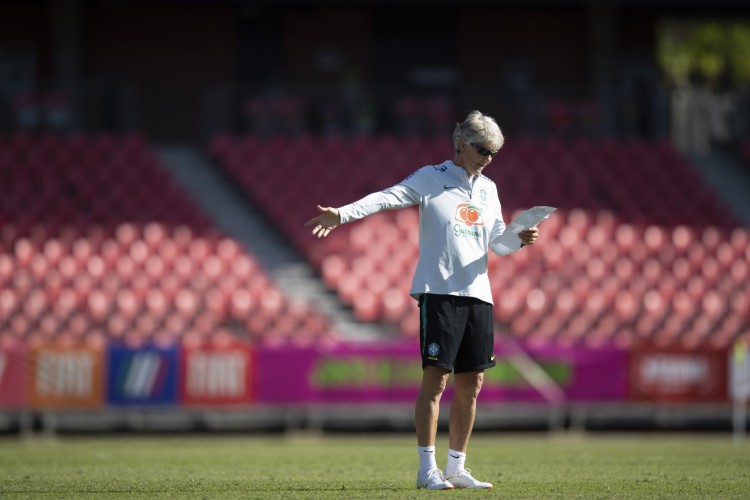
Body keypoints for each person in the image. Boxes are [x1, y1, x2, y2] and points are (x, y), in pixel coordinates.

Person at [305, 110, 540, 490]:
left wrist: (519, 239)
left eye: (494, 152)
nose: (488, 158)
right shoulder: (432, 177)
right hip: (439, 291)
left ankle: (457, 468)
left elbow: (497, 242)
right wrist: (342, 214)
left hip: (478, 293)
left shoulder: (488, 188)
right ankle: (426, 469)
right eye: (482, 149)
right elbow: (388, 197)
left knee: (473, 382)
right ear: (461, 143)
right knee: (436, 379)